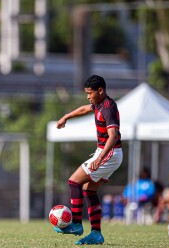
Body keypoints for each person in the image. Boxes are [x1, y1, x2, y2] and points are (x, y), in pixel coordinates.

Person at [53, 75, 123, 245]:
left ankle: (76, 224)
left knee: (73, 182)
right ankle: (96, 234)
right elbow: (85, 108)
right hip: (109, 153)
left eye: (90, 93)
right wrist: (67, 116)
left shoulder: (108, 108)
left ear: (100, 90)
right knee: (89, 191)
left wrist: (99, 158)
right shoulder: (99, 103)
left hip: (110, 153)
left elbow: (112, 136)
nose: (88, 96)